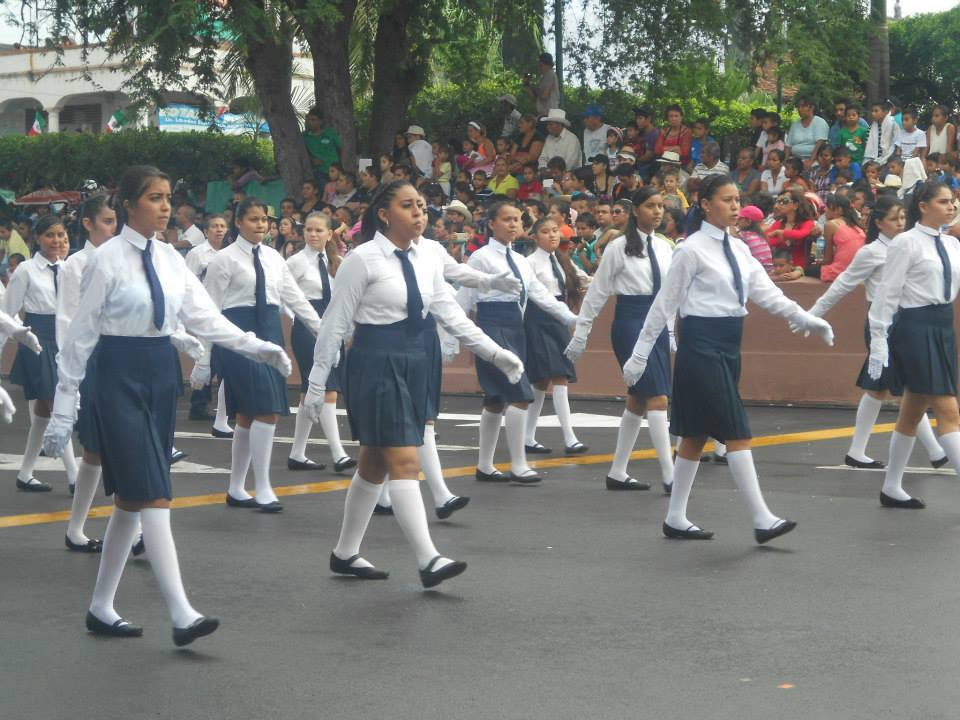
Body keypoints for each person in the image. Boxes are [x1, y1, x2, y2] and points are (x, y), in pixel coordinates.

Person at [43, 165, 291, 645]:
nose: (165, 206)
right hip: (116, 373)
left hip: (159, 374)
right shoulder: (105, 260)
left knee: (131, 499)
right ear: (128, 204)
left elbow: (204, 316)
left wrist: (255, 346)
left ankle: (100, 607)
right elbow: (80, 335)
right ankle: (181, 613)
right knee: (154, 492)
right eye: (154, 197)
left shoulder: (170, 258)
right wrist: (64, 404)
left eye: (167, 197)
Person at [301, 181, 523, 586]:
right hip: (377, 363)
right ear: (384, 215)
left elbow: (450, 314)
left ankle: (345, 553)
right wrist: (317, 381)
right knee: (405, 459)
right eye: (408, 206)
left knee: (373, 464)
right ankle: (428, 559)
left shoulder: (427, 258)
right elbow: (335, 323)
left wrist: (495, 353)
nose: (419, 212)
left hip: (417, 360)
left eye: (421, 205)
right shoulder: (362, 260)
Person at [623, 174, 833, 542]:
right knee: (736, 431)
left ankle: (675, 517)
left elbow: (766, 293)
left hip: (729, 342)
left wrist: (806, 318)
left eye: (738, 199)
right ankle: (762, 518)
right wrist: (640, 353)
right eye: (727, 199)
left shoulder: (739, 248)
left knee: (695, 433)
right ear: (705, 205)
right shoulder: (690, 250)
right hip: (700, 344)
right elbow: (664, 304)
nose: (735, 206)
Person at [193, 197, 324, 513]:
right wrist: (203, 359)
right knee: (266, 409)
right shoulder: (224, 260)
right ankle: (263, 486)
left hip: (270, 333)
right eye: (253, 219)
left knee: (247, 415)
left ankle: (236, 487)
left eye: (264, 219)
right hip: (238, 337)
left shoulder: (274, 258)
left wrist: (324, 332)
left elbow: (296, 299)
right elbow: (210, 311)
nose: (261, 225)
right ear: (238, 222)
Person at [805, 194, 946, 470]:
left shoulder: (909, 246)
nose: (900, 223)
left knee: (897, 387)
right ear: (879, 223)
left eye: (903, 217)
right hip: (883, 324)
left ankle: (929, 451)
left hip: (906, 323)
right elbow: (843, 284)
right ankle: (931, 451)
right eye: (894, 219)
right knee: (891, 387)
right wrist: (811, 315)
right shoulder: (871, 252)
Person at [457, 201, 578, 484]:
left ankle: (485, 466)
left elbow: (540, 294)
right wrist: (452, 337)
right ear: (491, 224)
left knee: (495, 400)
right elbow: (466, 296)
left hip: (516, 327)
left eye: (517, 219)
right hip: (492, 326)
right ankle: (519, 464)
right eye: (507, 219)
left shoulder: (521, 260)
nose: (513, 224)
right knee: (520, 395)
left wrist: (570, 317)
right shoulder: (481, 257)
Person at [565, 187, 675, 491]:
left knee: (638, 399)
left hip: (657, 322)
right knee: (658, 398)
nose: (657, 211)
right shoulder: (619, 247)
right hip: (631, 322)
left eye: (660, 206)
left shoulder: (664, 247)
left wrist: (671, 329)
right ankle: (670, 475)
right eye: (650, 206)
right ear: (636, 210)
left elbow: (670, 292)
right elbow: (598, 291)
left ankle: (617, 471)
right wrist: (581, 332)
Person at [867, 181, 960, 507]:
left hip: (943, 327)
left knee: (912, 411)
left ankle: (891, 487)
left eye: (952, 201)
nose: (951, 206)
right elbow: (887, 292)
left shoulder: (951, 243)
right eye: (944, 201)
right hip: (915, 328)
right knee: (948, 410)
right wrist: (878, 339)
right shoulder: (905, 242)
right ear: (923, 206)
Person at [56, 196, 117, 551]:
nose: (113, 228)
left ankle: (135, 528)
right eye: (106, 221)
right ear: (88, 224)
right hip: (91, 360)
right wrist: (70, 381)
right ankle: (76, 527)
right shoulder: (75, 265)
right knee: (95, 449)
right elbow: (67, 322)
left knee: (120, 445)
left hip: (122, 358)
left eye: (116, 221)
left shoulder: (124, 257)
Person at [1, 216, 78, 493]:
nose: (56, 240)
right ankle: (75, 477)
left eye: (61, 235)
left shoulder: (68, 268)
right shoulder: (26, 270)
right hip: (36, 340)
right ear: (37, 238)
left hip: (63, 340)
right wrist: (15, 338)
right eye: (49, 235)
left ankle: (25, 474)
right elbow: (6, 313)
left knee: (44, 412)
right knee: (58, 406)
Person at [284, 212, 356, 474]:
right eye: (309, 230)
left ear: (329, 234)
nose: (313, 234)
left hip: (333, 325)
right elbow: (283, 293)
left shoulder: (338, 261)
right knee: (326, 388)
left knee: (310, 391)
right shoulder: (295, 262)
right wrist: (296, 316)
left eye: (318, 230)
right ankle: (338, 454)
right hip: (307, 327)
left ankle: (297, 453)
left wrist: (347, 329)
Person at [521, 217, 589, 455]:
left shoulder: (562, 259)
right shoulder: (529, 262)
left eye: (555, 231)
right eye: (545, 231)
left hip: (559, 317)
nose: (552, 235)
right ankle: (569, 438)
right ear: (534, 236)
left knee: (546, 379)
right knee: (554, 376)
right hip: (537, 318)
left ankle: (528, 437)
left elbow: (583, 279)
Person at [183, 215, 234, 436]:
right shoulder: (197, 254)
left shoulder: (230, 253)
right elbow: (187, 280)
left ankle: (228, 406)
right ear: (205, 231)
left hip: (227, 308)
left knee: (225, 358)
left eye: (222, 226)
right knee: (206, 357)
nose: (219, 230)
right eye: (214, 226)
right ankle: (198, 405)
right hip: (205, 309)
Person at [766, 187, 815, 269]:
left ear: (796, 205)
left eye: (784, 201)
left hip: (799, 268)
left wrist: (781, 233)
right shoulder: (778, 224)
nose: (779, 205)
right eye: (778, 201)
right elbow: (767, 240)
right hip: (779, 268)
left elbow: (801, 234)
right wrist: (781, 239)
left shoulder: (807, 223)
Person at [820, 194, 866, 282]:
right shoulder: (857, 226)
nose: (825, 209)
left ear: (839, 210)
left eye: (828, 207)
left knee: (807, 269)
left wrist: (816, 263)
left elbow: (827, 260)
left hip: (841, 271)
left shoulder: (831, 224)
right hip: (858, 271)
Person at [785, 96, 829, 168]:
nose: (800, 109)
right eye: (798, 106)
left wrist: (811, 161)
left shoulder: (820, 122)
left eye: (803, 106)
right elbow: (788, 145)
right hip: (795, 160)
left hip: (815, 160)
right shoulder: (795, 125)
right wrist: (786, 161)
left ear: (812, 108)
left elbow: (820, 144)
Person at [303, 107, 343, 185]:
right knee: (325, 190)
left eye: (313, 120)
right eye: (309, 119)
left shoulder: (330, 132)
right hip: (320, 172)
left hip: (335, 170)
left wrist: (341, 165)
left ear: (320, 121)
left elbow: (341, 148)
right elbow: (302, 153)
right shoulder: (305, 136)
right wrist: (311, 159)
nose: (310, 122)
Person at [523, 52, 560, 118]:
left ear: (547, 64)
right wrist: (527, 85)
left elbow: (544, 96)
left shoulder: (550, 74)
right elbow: (535, 99)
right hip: (544, 114)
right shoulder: (543, 78)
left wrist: (535, 88)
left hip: (549, 115)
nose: (539, 67)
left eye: (541, 65)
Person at [736, 205, 772, 271]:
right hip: (769, 269)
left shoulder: (743, 235)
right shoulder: (761, 235)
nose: (737, 221)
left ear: (748, 221)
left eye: (740, 219)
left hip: (757, 270)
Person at [864, 100, 897, 166]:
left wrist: (882, 161)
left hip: (890, 160)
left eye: (876, 111)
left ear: (885, 112)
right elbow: (867, 145)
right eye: (872, 111)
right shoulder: (871, 128)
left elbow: (895, 146)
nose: (873, 113)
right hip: (873, 159)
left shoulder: (893, 125)